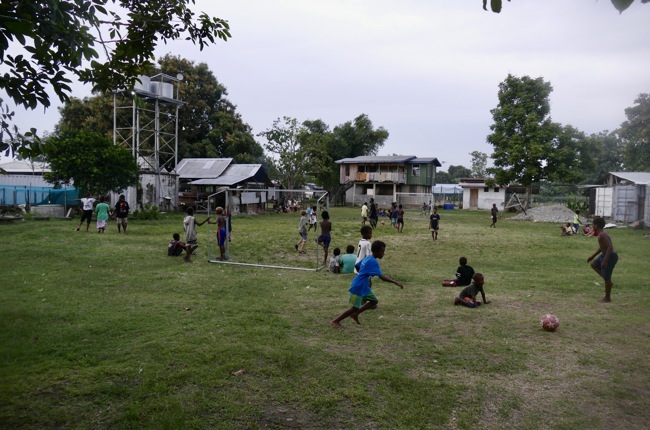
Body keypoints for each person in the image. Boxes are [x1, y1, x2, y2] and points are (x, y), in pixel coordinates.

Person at [330, 240, 404, 328]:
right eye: (382, 252)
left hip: (363, 286)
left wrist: (363, 273)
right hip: (358, 286)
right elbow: (381, 276)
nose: (383, 254)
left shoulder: (368, 257)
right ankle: (335, 321)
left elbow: (357, 266)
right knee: (355, 307)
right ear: (376, 251)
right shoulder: (373, 261)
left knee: (374, 301)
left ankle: (355, 314)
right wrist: (395, 282)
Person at [587, 216, 618, 303]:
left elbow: (610, 248)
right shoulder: (601, 234)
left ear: (596, 226)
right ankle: (609, 282)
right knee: (594, 264)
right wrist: (593, 256)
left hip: (610, 256)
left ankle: (607, 298)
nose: (592, 226)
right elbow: (602, 247)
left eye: (592, 225)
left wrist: (605, 260)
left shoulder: (603, 235)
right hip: (604, 255)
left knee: (607, 277)